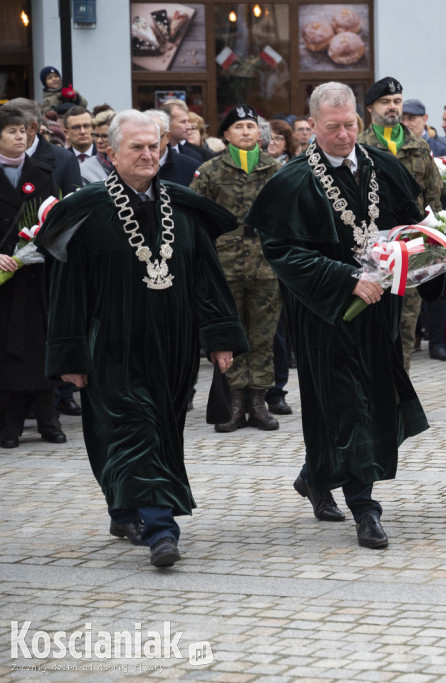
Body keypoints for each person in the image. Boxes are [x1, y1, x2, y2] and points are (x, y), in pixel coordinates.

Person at [36, 109, 247, 567]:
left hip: (174, 348)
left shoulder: (182, 205)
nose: (148, 154)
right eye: (137, 147)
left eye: (155, 146)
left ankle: (124, 507)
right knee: (135, 430)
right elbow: (65, 291)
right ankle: (160, 530)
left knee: (163, 429)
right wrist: (70, 354)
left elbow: (209, 279)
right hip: (111, 347)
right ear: (110, 153)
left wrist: (220, 338)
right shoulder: (85, 209)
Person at [249, 81, 432, 549]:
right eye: (333, 128)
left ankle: (316, 475)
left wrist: (431, 252)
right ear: (312, 126)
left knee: (374, 403)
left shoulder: (383, 165)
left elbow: (414, 226)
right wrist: (345, 278)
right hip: (327, 315)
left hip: (381, 312)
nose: (345, 135)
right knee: (347, 406)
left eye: (351, 124)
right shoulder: (292, 180)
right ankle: (365, 509)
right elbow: (282, 250)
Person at [191, 104, 282, 431]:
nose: (246, 131)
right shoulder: (210, 171)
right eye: (239, 127)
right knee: (230, 333)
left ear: (259, 133)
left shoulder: (276, 169)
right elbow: (193, 216)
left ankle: (258, 401)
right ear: (226, 134)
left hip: (265, 262)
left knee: (262, 335)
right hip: (224, 263)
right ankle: (233, 402)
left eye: (251, 126)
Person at [356, 77, 444, 365]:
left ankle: (400, 393)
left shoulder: (418, 147)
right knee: (372, 325)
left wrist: (437, 241)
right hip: (371, 251)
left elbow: (433, 197)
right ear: (370, 108)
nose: (392, 107)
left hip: (411, 249)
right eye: (385, 102)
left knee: (407, 326)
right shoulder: (359, 148)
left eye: (397, 101)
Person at [0, 106, 65, 449]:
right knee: (8, 352)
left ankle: (48, 419)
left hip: (36, 277)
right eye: (12, 131)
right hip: (3, 281)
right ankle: (9, 424)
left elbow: (53, 221)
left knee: (42, 348)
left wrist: (38, 249)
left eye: (23, 131)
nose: (20, 136)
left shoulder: (42, 173)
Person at [142, 109, 201, 187]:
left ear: (167, 137)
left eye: (154, 141)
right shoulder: (127, 166)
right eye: (140, 141)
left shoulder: (192, 168)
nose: (147, 146)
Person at [161, 99, 214, 163]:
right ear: (167, 123)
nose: (189, 127)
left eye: (188, 121)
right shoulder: (151, 154)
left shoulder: (195, 156)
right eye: (183, 122)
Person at [80, 109, 116, 183]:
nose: (99, 141)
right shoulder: (85, 169)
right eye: (96, 135)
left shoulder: (129, 163)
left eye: (104, 136)